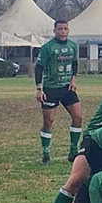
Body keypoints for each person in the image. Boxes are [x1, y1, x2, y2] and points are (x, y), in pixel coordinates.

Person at [36, 19, 81, 165]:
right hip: (51, 89)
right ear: (54, 30)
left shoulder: (73, 46)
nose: (63, 31)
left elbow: (75, 63)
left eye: (65, 29)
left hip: (67, 88)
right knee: (48, 121)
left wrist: (73, 79)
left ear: (68, 31)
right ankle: (46, 153)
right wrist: (39, 89)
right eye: (60, 29)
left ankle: (73, 150)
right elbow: (39, 68)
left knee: (78, 117)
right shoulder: (47, 47)